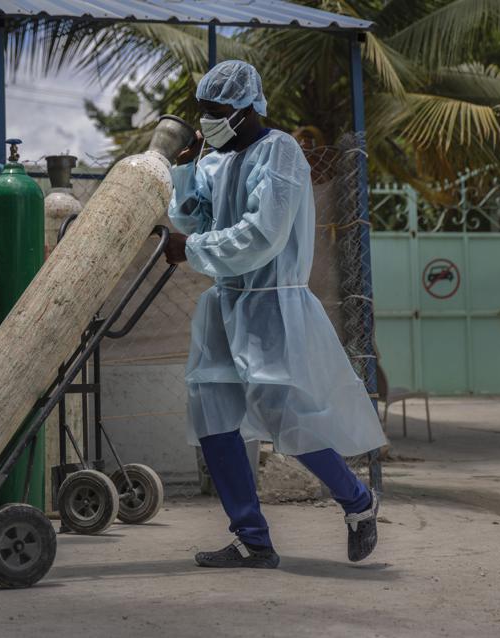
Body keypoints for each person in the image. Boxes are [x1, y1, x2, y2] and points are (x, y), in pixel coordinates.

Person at [164, 60, 388, 568]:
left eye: (216, 111)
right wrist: (184, 175)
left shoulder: (281, 152)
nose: (207, 122)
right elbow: (194, 219)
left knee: (285, 416)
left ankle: (358, 502)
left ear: (245, 110)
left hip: (272, 304)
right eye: (202, 112)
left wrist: (192, 248)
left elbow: (263, 235)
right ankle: (253, 539)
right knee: (211, 414)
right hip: (225, 304)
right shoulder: (214, 160)